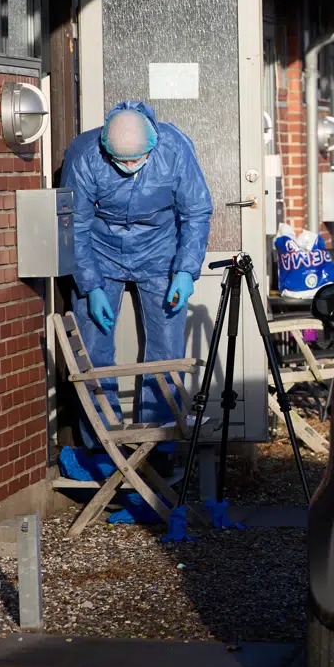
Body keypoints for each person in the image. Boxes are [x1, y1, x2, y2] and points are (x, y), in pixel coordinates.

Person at [61, 102, 213, 449]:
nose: (130, 167)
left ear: (152, 144)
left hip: (160, 250)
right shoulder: (84, 154)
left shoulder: (174, 148)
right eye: (122, 161)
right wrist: (90, 285)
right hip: (99, 251)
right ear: (105, 146)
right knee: (93, 351)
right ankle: (103, 446)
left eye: (136, 159)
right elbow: (76, 226)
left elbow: (196, 211)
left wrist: (186, 270)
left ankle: (160, 442)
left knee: (166, 351)